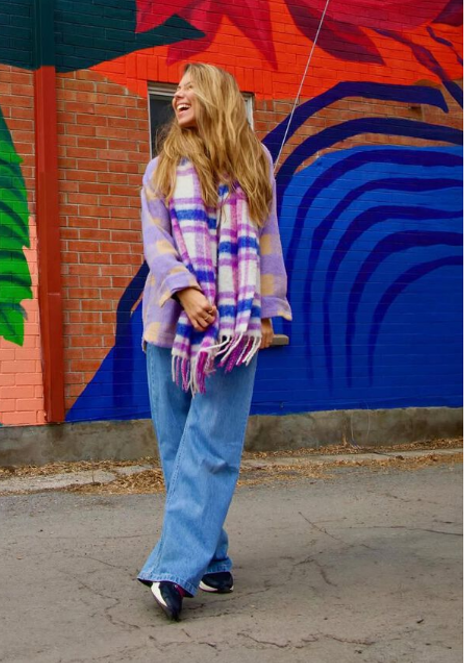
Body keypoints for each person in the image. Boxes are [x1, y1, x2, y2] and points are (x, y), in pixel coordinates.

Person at [137, 62, 291, 621]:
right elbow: (156, 245)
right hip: (169, 329)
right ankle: (214, 559)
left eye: (189, 86)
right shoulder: (159, 169)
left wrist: (269, 313)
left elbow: (267, 239)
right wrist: (184, 292)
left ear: (218, 96)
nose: (178, 94)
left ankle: (176, 572)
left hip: (232, 330)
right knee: (179, 451)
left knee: (213, 448)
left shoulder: (255, 163)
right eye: (174, 88)